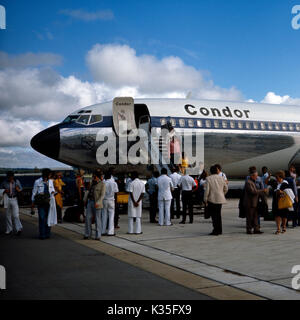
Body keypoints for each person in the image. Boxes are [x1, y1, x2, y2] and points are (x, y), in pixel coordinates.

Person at [32, 169, 56, 240]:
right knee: (42, 218)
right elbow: (34, 193)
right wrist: (32, 204)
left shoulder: (50, 181)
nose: (50, 176)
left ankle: (47, 233)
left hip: (49, 203)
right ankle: (42, 235)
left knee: (49, 218)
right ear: (46, 175)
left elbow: (53, 190)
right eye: (49, 174)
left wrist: (53, 192)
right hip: (41, 203)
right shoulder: (37, 182)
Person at [204, 165, 228, 235]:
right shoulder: (221, 178)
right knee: (218, 215)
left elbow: (207, 190)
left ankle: (215, 230)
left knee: (214, 216)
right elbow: (226, 188)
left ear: (211, 171)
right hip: (220, 199)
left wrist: (205, 199)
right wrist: (222, 194)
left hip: (212, 199)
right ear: (217, 171)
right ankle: (220, 230)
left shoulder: (208, 178)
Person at [243, 167, 268, 235]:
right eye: (256, 176)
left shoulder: (254, 181)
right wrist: (262, 190)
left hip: (256, 202)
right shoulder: (248, 182)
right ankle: (249, 229)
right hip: (250, 203)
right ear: (252, 176)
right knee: (249, 217)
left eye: (257, 176)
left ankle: (256, 229)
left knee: (256, 217)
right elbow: (253, 191)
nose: (257, 177)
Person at [84, 171, 106, 241]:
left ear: (98, 177)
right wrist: (84, 200)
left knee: (97, 219)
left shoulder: (102, 184)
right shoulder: (91, 183)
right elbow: (87, 191)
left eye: (95, 177)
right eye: (93, 177)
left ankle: (98, 235)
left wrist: (98, 202)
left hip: (97, 203)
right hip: (90, 202)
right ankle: (87, 234)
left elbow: (102, 195)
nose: (93, 178)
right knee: (87, 218)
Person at [1, 171, 23, 236]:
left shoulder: (17, 182)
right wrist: (4, 190)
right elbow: (0, 189)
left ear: (13, 176)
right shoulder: (4, 183)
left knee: (16, 215)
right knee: (8, 215)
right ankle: (9, 230)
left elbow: (21, 189)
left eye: (11, 176)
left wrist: (18, 189)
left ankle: (19, 228)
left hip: (14, 199)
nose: (10, 178)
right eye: (8, 177)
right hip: (7, 199)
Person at [102, 171, 119, 236]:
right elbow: (116, 192)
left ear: (105, 176)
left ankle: (103, 231)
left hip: (104, 200)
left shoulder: (103, 183)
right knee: (111, 216)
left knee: (104, 216)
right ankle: (110, 232)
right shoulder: (114, 183)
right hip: (111, 200)